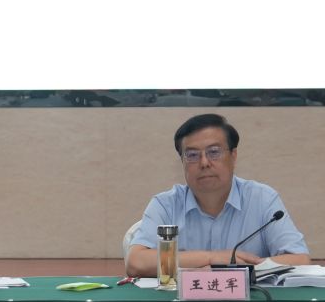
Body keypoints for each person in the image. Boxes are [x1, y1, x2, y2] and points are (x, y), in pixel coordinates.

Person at [126, 113, 310, 276]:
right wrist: (213, 258)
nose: (204, 163)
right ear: (182, 161)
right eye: (192, 155)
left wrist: (236, 271)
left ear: (233, 156)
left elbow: (300, 260)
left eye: (214, 152)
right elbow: (136, 263)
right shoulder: (165, 204)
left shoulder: (262, 199)